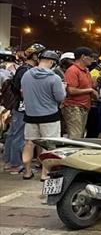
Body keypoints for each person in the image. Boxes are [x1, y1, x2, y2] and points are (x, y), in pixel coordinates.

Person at [20, 50, 66, 180]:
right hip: (49, 116)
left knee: (29, 143)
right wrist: (63, 88)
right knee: (49, 145)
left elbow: (23, 93)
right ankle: (45, 173)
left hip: (30, 115)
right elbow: (60, 97)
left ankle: (27, 172)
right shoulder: (54, 78)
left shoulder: (26, 75)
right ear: (52, 62)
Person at [2, 43, 46, 173]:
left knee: (13, 134)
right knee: (19, 135)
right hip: (23, 106)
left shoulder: (23, 69)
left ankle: (9, 161)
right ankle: (15, 163)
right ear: (35, 56)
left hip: (19, 105)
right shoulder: (26, 71)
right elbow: (23, 90)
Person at [63, 47, 96, 139]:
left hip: (84, 107)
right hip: (73, 107)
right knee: (75, 136)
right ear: (83, 57)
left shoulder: (86, 71)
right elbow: (71, 90)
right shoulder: (72, 70)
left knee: (80, 136)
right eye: (91, 57)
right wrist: (90, 90)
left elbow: (89, 86)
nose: (92, 59)